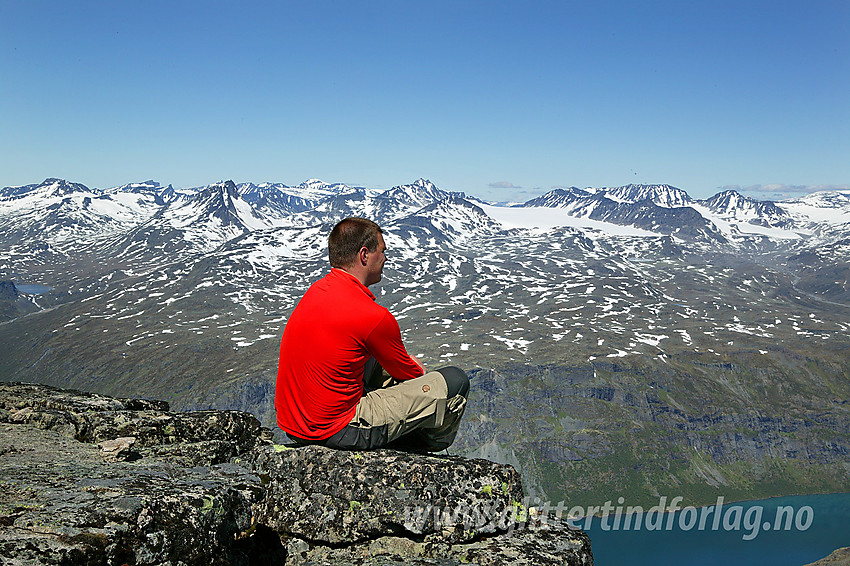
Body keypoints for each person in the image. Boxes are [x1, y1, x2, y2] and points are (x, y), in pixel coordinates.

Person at [275, 217, 469, 451]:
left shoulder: (316, 291)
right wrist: (418, 368)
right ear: (364, 255)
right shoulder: (373, 316)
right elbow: (409, 373)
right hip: (338, 430)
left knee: (369, 356)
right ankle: (423, 444)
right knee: (454, 381)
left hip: (294, 426)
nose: (385, 259)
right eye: (382, 251)